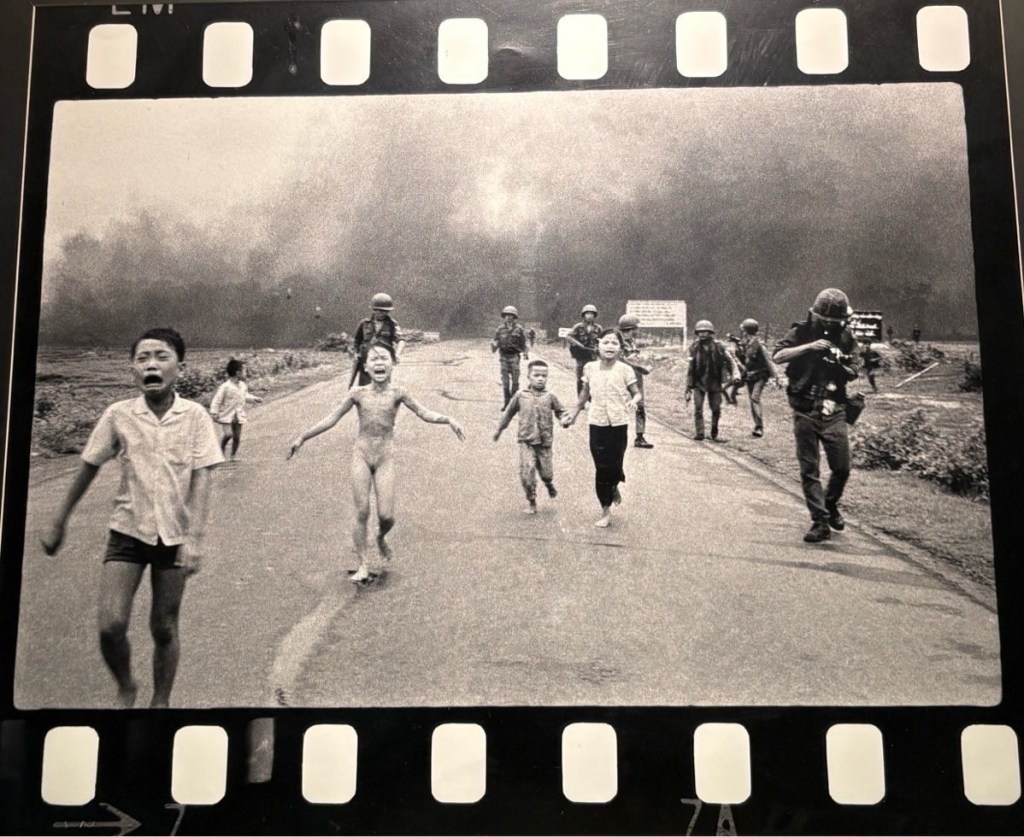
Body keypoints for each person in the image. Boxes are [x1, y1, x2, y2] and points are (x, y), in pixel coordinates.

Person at [40, 327, 224, 708]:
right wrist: (59, 519)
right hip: (127, 531)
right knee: (110, 626)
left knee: (164, 626)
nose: (151, 364)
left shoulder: (195, 417)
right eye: (143, 358)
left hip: (174, 536)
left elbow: (203, 477)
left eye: (161, 356)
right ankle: (126, 685)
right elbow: (89, 466)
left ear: (180, 367)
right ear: (133, 370)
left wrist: (195, 539)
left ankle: (161, 702)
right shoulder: (118, 415)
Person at [288, 341, 465, 583]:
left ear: (392, 364)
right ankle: (363, 563)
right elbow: (332, 418)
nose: (379, 362)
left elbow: (424, 412)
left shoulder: (398, 393)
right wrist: (302, 437)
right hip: (361, 455)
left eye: (384, 358)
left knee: (387, 516)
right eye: (374, 358)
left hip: (385, 458)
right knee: (362, 510)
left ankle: (381, 537)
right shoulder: (357, 393)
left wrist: (448, 419)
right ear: (366, 367)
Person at [773, 288, 860, 544]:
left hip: (834, 408)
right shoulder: (800, 332)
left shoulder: (846, 337)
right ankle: (819, 521)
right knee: (809, 468)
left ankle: (829, 503)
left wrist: (839, 364)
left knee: (842, 467)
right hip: (805, 407)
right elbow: (778, 356)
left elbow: (854, 369)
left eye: (836, 321)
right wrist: (809, 347)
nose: (831, 325)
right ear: (816, 315)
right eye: (827, 320)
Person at [566, 328, 642, 528]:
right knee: (601, 468)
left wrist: (634, 401)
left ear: (620, 348)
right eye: (606, 342)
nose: (610, 346)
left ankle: (614, 483)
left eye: (614, 343)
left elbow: (637, 393)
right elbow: (584, 394)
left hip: (618, 423)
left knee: (615, 466)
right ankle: (605, 511)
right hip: (597, 422)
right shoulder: (590, 368)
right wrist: (573, 415)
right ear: (598, 346)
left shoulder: (625, 370)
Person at [493, 359, 571, 514]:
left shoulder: (550, 396)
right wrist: (499, 430)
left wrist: (564, 420)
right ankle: (532, 500)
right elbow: (508, 414)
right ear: (528, 376)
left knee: (547, 473)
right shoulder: (520, 396)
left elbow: (561, 411)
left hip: (544, 442)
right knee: (527, 473)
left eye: (544, 376)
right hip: (526, 441)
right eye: (536, 375)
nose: (540, 379)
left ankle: (548, 483)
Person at [685, 320, 740, 443]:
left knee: (716, 408)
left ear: (710, 333)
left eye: (705, 331)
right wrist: (688, 386)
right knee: (698, 408)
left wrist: (736, 374)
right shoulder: (694, 347)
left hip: (714, 381)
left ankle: (714, 431)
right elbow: (690, 368)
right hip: (699, 382)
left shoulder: (719, 347)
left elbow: (731, 361)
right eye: (699, 332)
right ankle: (700, 433)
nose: (702, 334)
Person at [209, 358, 263, 460]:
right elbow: (217, 399)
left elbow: (245, 396)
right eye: (244, 371)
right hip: (227, 415)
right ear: (238, 373)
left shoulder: (243, 386)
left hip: (238, 415)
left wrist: (254, 399)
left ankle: (233, 455)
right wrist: (214, 412)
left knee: (237, 437)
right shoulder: (225, 387)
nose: (246, 374)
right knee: (228, 434)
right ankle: (220, 451)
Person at [736, 318, 781, 438]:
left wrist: (776, 377)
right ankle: (757, 425)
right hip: (750, 375)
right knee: (752, 400)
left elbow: (768, 361)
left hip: (760, 375)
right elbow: (744, 360)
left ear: (747, 331)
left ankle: (759, 427)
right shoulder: (745, 343)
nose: (743, 333)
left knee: (755, 398)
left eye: (744, 330)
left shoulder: (759, 344)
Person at [349, 292, 406, 387]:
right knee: (364, 388)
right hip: (367, 361)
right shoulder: (364, 324)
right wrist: (355, 354)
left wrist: (397, 354)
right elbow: (356, 341)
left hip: (383, 362)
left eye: (386, 311)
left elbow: (401, 340)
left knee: (383, 387)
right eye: (380, 311)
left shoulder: (392, 324)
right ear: (374, 309)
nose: (383, 313)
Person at [617, 313, 654, 448]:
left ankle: (640, 436)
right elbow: (621, 360)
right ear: (630, 328)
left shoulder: (632, 342)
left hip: (636, 378)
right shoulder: (618, 342)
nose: (637, 330)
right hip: (622, 377)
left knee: (640, 406)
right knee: (619, 405)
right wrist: (640, 367)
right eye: (635, 328)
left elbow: (636, 358)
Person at [490, 305, 530, 410]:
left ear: (514, 317)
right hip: (503, 357)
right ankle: (506, 403)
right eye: (507, 315)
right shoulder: (500, 329)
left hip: (514, 357)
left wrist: (525, 353)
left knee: (515, 381)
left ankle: (513, 403)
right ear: (504, 316)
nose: (509, 317)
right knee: (505, 382)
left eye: (511, 315)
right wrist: (494, 344)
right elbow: (496, 341)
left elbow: (524, 343)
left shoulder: (519, 329)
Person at [566, 304, 603, 395]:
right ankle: (580, 398)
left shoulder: (598, 328)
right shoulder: (578, 327)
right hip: (581, 357)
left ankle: (590, 397)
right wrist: (578, 344)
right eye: (587, 313)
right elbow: (569, 336)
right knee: (580, 379)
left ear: (594, 315)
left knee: (592, 378)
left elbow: (602, 340)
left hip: (592, 356)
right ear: (583, 315)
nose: (589, 316)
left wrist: (598, 347)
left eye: (592, 314)